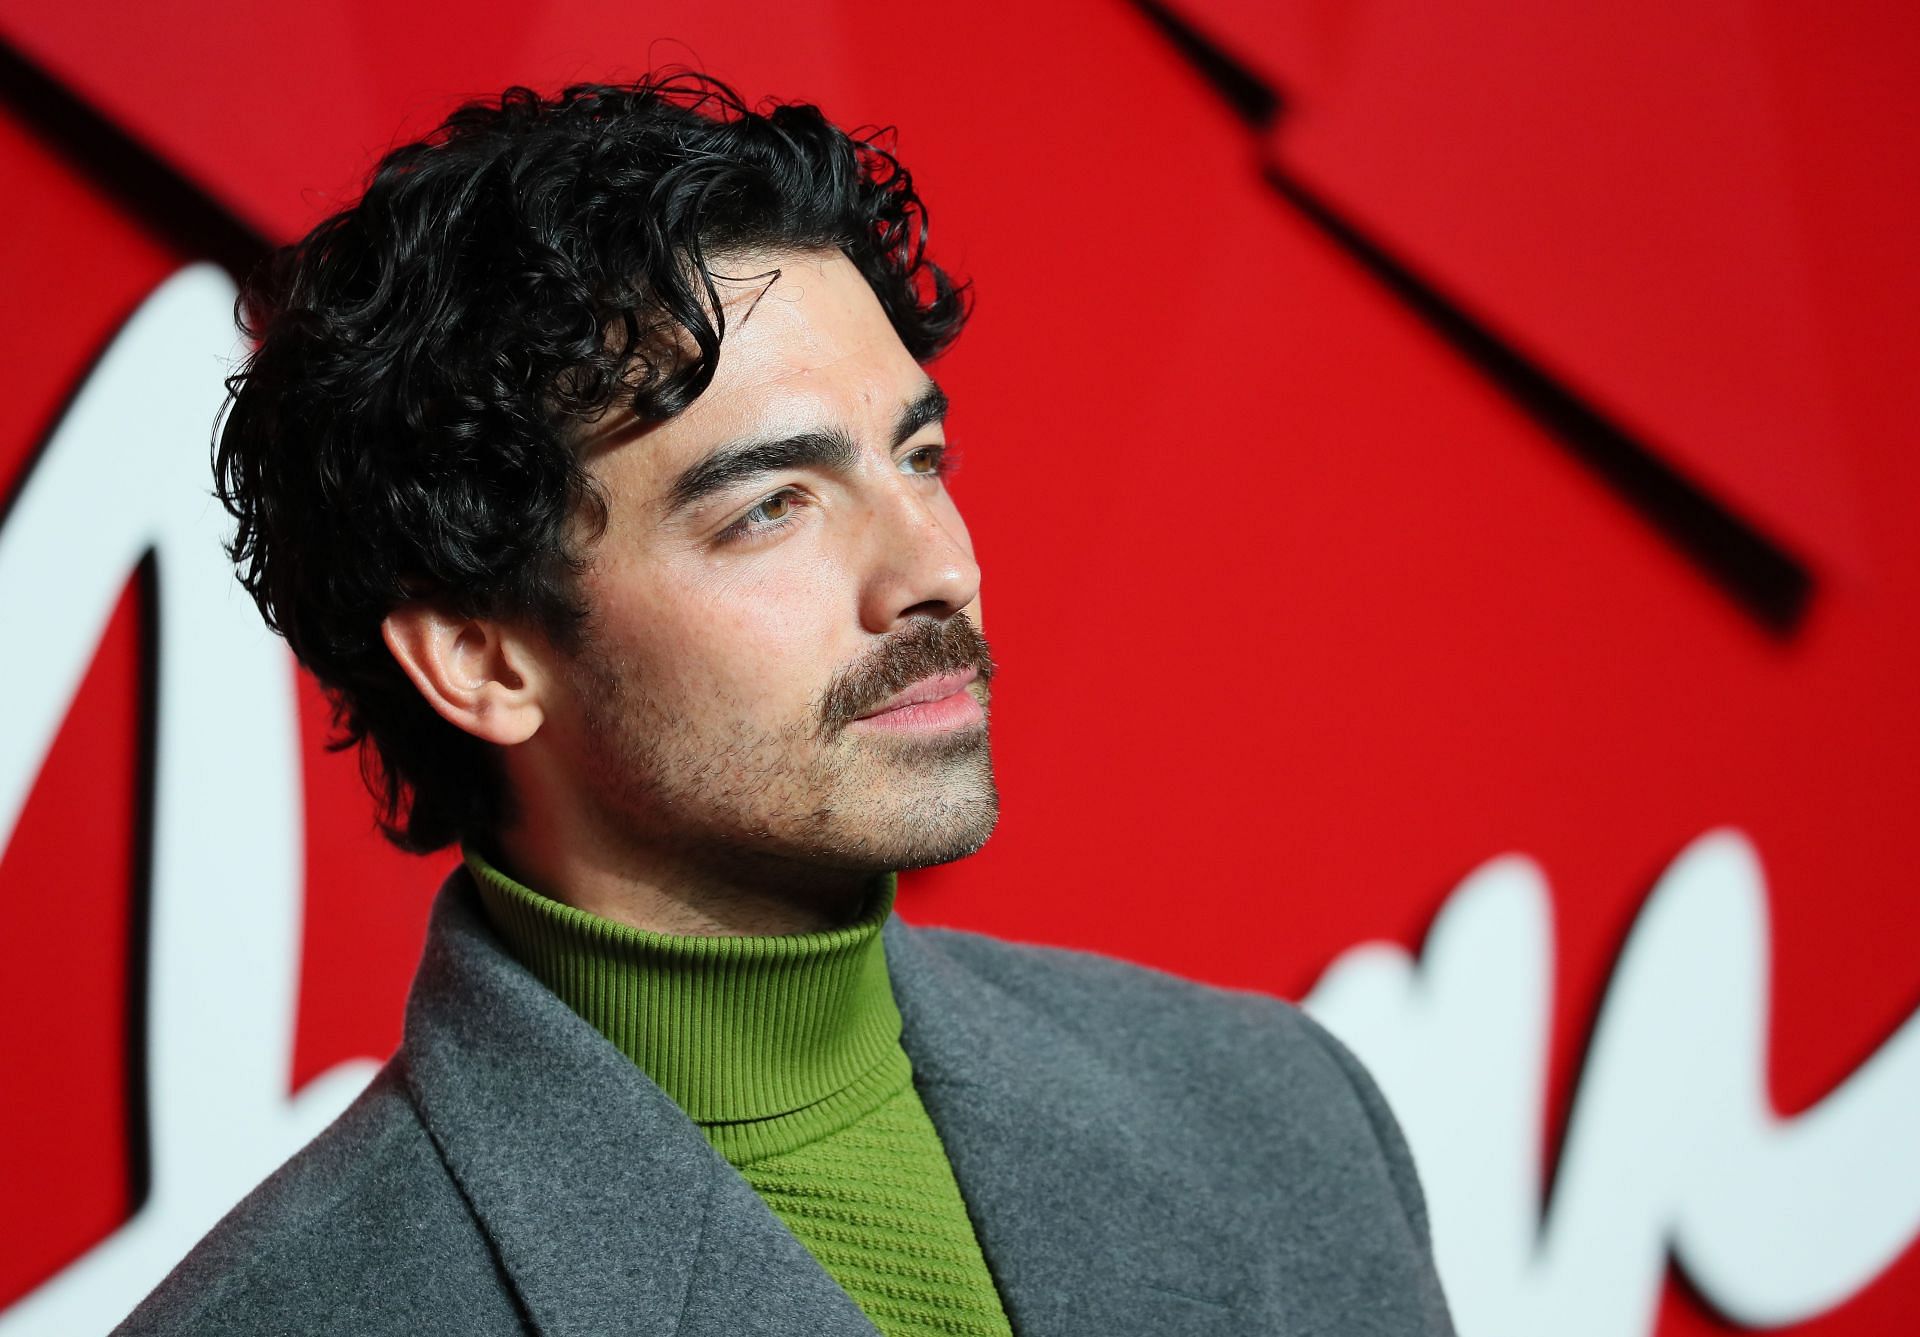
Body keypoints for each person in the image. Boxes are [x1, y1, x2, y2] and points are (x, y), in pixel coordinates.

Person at [114, 72, 1455, 1335]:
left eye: (919, 456)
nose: (938, 569)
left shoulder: (1282, 1112)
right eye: (771, 507)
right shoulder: (307, 1307)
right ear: (481, 659)